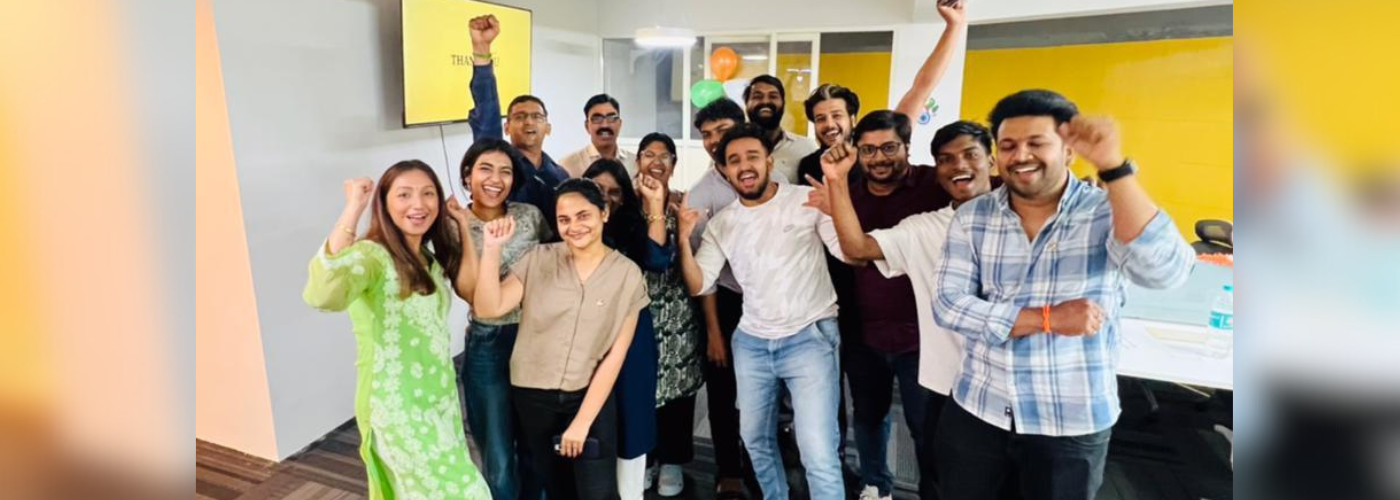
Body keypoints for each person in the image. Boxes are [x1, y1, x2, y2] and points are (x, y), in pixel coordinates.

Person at [932, 90, 1194, 500]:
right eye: (1008, 146)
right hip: (980, 407)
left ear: (1069, 151)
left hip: (1069, 419)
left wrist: (1114, 168)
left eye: (1036, 143)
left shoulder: (1106, 211)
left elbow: (1166, 272)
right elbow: (949, 305)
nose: (1021, 155)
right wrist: (1048, 319)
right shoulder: (973, 217)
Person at [808, 120, 998, 500]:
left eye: (889, 147)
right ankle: (877, 486)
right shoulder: (862, 199)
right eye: (869, 150)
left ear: (908, 148)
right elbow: (856, 251)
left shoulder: (935, 184)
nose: (879, 157)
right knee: (868, 417)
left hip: (925, 340)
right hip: (867, 332)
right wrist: (837, 191)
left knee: (928, 431)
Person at [677, 123, 850, 500]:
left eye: (752, 156)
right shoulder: (722, 223)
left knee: (817, 451)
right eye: (734, 160)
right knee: (755, 439)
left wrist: (837, 204)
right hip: (752, 342)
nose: (744, 166)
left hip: (809, 337)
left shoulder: (806, 200)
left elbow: (849, 252)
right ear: (725, 170)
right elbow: (698, 283)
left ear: (769, 161)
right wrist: (683, 238)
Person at [303, 160, 491, 500]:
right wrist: (354, 206)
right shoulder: (372, 256)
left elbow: (473, 290)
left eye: (428, 194)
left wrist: (463, 224)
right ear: (385, 204)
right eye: (404, 195)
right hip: (396, 407)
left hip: (439, 400)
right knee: (467, 492)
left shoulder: (428, 259)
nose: (418, 204)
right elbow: (323, 293)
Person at [473, 178, 650, 500]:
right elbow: (488, 308)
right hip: (533, 395)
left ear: (604, 213)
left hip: (588, 395)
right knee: (558, 490)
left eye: (583, 215)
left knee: (599, 493)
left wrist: (582, 423)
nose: (574, 227)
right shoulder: (538, 259)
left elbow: (616, 356)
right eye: (564, 219)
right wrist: (492, 249)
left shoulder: (627, 274)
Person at [449, 139, 551, 500]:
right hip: (489, 343)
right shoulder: (452, 224)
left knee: (536, 446)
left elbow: (555, 263)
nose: (495, 179)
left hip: (537, 339)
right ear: (467, 175)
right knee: (498, 453)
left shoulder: (530, 216)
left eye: (505, 172)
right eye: (485, 169)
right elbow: (470, 293)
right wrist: (465, 227)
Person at [681, 98, 761, 499]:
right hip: (727, 303)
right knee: (723, 390)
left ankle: (764, 464)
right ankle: (729, 468)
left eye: (722, 130)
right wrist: (713, 331)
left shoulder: (773, 177)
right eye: (706, 134)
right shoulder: (700, 195)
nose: (714, 141)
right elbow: (704, 276)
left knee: (766, 390)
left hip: (774, 300)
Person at [580, 159, 668, 500]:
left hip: (631, 337)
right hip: (583, 336)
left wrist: (655, 205)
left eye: (615, 192)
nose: (606, 197)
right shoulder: (570, 227)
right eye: (598, 189)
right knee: (586, 424)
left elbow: (657, 260)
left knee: (632, 424)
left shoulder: (631, 227)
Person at [630, 133, 705, 497]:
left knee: (678, 390)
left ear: (674, 164)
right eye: (648, 154)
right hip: (636, 315)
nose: (656, 162)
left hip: (678, 314)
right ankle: (646, 458)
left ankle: (673, 460)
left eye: (664, 156)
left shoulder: (684, 204)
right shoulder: (624, 206)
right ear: (637, 162)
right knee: (641, 390)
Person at [467, 15, 570, 226]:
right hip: (503, 244)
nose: (528, 122)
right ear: (506, 127)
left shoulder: (560, 175)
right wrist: (481, 50)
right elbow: (487, 112)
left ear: (548, 128)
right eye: (519, 117)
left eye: (536, 117)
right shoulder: (501, 165)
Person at [743, 74, 816, 183]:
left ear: (783, 104)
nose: (765, 101)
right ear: (746, 104)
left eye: (773, 96)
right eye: (757, 97)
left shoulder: (806, 147)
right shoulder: (731, 148)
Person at [561, 94, 635, 178]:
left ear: (619, 124)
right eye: (597, 119)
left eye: (611, 118)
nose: (604, 125)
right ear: (587, 126)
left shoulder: (635, 164)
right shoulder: (568, 166)